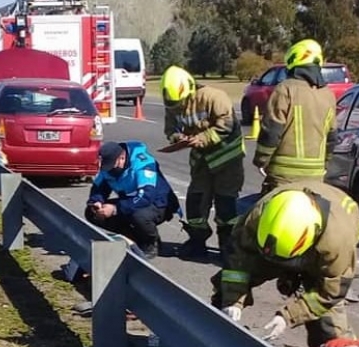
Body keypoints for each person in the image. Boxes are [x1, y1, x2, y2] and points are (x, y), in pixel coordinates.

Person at [210, 183, 359, 347]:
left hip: (330, 239)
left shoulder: (336, 244)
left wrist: (288, 316)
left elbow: (330, 293)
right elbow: (237, 262)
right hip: (282, 244)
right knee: (228, 283)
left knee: (328, 328)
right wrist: (232, 301)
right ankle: (215, 334)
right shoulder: (256, 217)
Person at [161, 65, 245, 260]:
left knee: (226, 206)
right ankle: (197, 241)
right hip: (201, 163)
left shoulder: (214, 97)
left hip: (227, 161)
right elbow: (170, 128)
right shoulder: (173, 105)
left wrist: (202, 138)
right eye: (174, 104)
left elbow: (227, 124)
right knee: (196, 203)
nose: (178, 107)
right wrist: (177, 138)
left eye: (180, 102)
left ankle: (228, 245)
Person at [253, 39, 338, 193]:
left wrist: (261, 160)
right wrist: (324, 164)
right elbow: (332, 137)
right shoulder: (328, 95)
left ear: (293, 61)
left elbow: (271, 131)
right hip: (316, 177)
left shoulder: (285, 90)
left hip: (283, 178)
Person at [85, 140, 180, 260]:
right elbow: (99, 187)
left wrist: (115, 209)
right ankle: (132, 238)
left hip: (158, 203)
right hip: (130, 201)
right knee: (92, 213)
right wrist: (96, 201)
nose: (109, 169)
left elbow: (146, 197)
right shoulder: (109, 166)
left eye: (112, 165)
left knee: (138, 216)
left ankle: (151, 243)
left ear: (122, 157)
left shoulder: (143, 164)